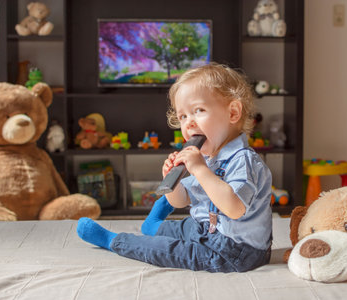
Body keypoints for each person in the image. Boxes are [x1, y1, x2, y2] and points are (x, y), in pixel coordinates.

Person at [77, 62, 273, 272]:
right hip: (206, 229)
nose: (188, 123)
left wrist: (199, 170)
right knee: (181, 227)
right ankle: (152, 226)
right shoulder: (207, 157)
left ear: (233, 113)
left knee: (167, 249)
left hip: (234, 251)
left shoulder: (244, 161)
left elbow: (234, 208)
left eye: (198, 110)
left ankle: (115, 241)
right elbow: (181, 201)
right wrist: (175, 181)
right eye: (183, 116)